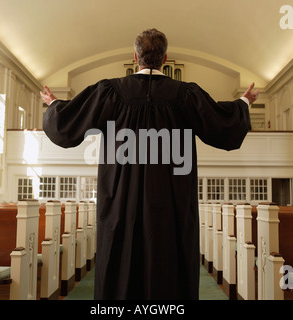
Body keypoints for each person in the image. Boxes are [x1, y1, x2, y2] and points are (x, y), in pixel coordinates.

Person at [41, 28, 259, 300]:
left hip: (121, 199)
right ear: (165, 58)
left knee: (120, 256)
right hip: (170, 201)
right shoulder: (185, 95)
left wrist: (53, 106)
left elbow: (67, 122)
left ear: (135, 57)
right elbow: (221, 123)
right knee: (169, 257)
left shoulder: (110, 92)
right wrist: (243, 102)